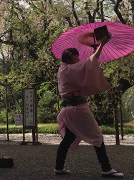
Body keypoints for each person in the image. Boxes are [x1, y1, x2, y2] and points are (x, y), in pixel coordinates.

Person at [55, 35, 123, 178]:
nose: (79, 59)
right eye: (77, 56)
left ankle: (58, 167)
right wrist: (101, 45)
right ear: (70, 55)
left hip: (69, 110)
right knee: (97, 135)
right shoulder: (68, 70)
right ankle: (106, 168)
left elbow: (84, 66)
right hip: (77, 109)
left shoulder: (63, 70)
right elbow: (89, 63)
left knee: (68, 138)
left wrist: (95, 48)